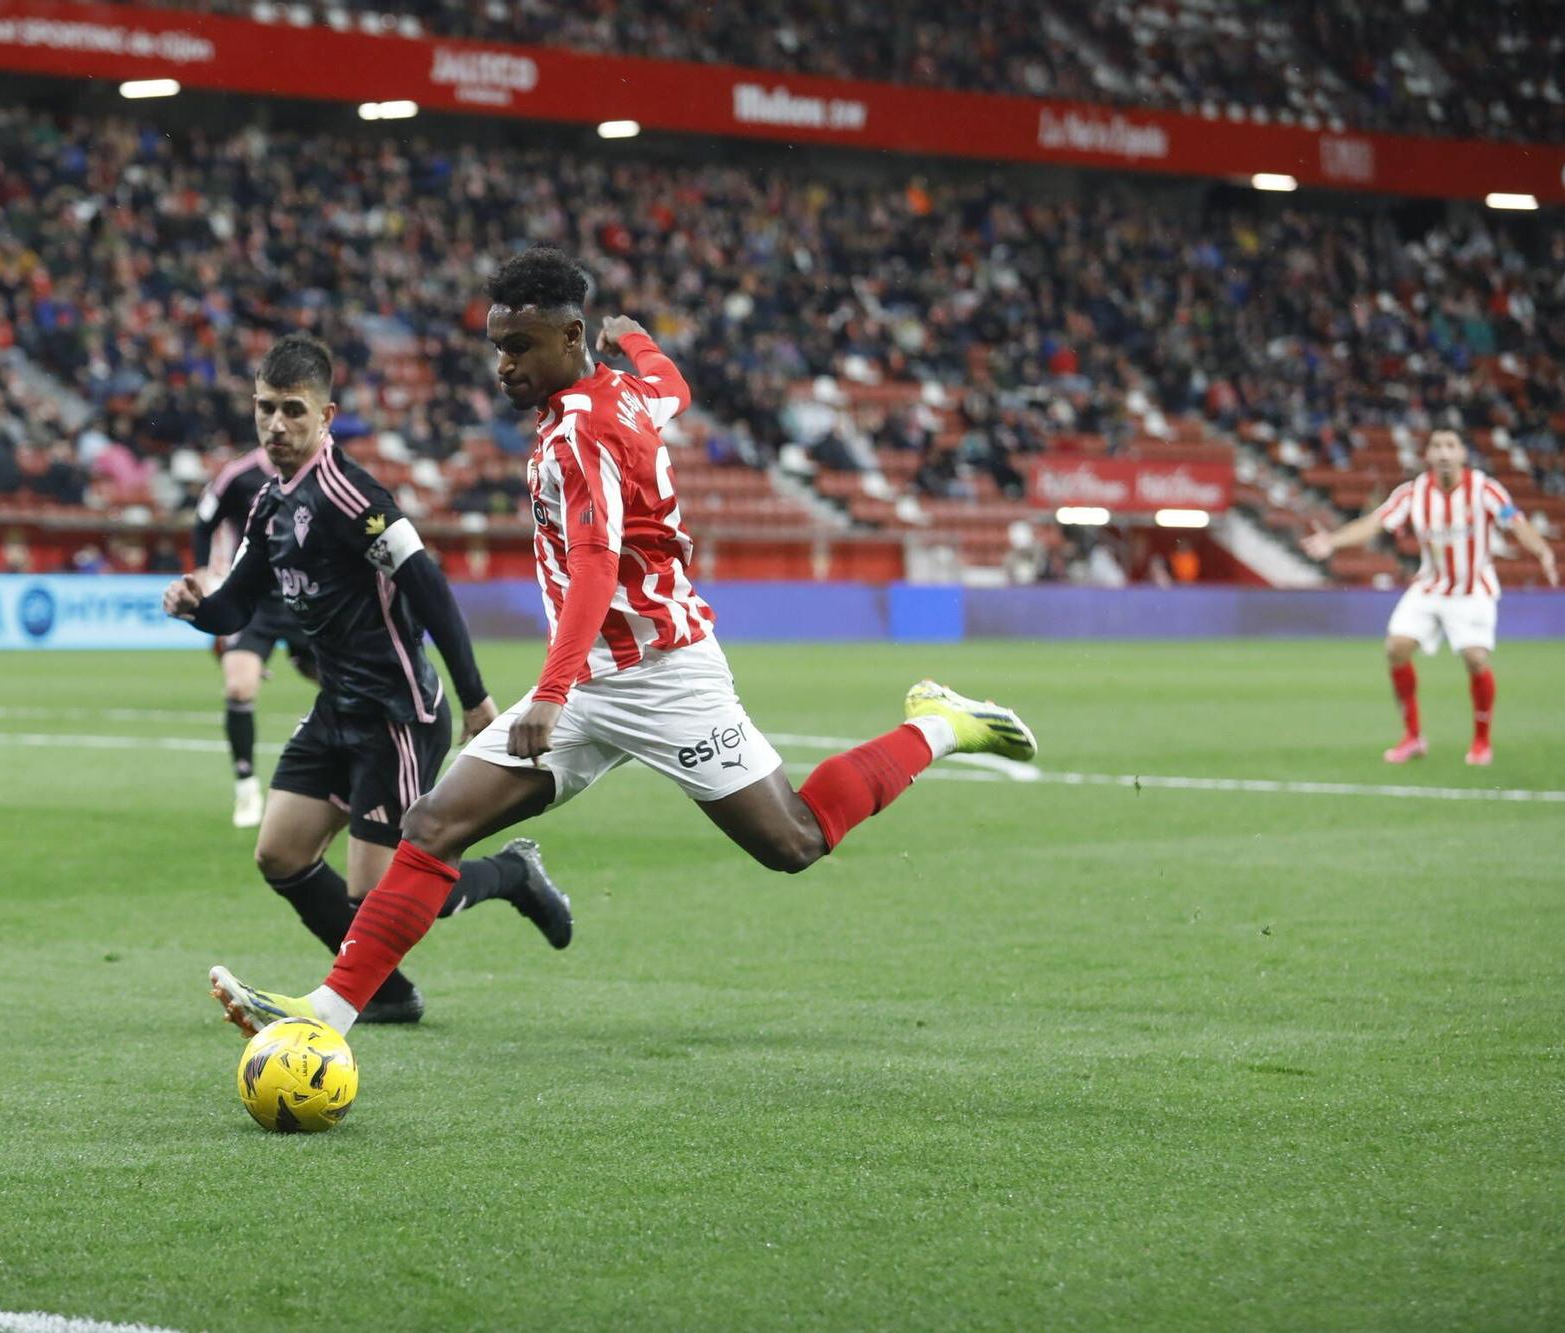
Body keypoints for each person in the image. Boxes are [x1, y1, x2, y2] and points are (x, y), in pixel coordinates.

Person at [201, 248, 1037, 1041]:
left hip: (666, 674)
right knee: (433, 824)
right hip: (592, 678)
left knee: (794, 841)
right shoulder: (628, 393)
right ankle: (327, 1010)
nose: (504, 366)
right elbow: (671, 383)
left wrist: (553, 691)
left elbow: (597, 566)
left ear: (571, 338)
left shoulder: (579, 435)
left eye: (521, 346)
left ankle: (940, 723)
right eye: (497, 347)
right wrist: (633, 338)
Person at [165, 334, 572, 1027]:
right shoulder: (269, 504)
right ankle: (385, 990)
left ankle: (511, 873)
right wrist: (198, 609)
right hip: (337, 708)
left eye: (293, 410)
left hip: (396, 713)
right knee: (280, 852)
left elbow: (428, 583)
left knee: (387, 895)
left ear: (326, 417)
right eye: (265, 409)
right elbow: (238, 601)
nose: (276, 426)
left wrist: (474, 697)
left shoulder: (351, 494)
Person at [1303, 429, 1559, 766]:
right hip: (1430, 586)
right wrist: (1333, 541)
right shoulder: (1412, 493)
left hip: (1472, 589)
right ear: (1427, 455)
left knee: (1475, 658)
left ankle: (1481, 741)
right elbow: (1374, 522)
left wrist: (1542, 551)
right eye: (1437, 446)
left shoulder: (1484, 489)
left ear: (1462, 454)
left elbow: (1516, 522)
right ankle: (1413, 737)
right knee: (1396, 647)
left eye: (1450, 446)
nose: (1443, 452)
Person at [189, 437, 317, 828]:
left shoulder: (323, 473)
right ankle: (246, 788)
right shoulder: (238, 476)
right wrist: (201, 574)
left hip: (306, 596)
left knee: (346, 687)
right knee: (239, 688)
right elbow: (203, 522)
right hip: (253, 601)